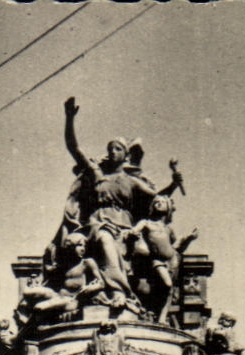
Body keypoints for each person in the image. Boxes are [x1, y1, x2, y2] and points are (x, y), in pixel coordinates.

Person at [62, 96, 183, 311]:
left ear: (126, 155)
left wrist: (173, 185)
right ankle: (118, 292)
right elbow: (74, 147)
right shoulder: (97, 174)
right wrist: (69, 118)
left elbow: (157, 197)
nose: (112, 152)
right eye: (110, 148)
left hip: (127, 229)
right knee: (105, 241)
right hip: (99, 225)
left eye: (117, 148)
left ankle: (153, 305)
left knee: (144, 255)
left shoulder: (132, 182)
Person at [129, 194, 198, 323]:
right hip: (157, 260)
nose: (158, 204)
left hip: (172, 260)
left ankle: (162, 317)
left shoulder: (168, 229)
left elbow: (176, 247)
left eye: (162, 202)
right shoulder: (146, 223)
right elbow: (134, 230)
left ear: (168, 208)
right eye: (156, 202)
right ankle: (155, 312)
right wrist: (133, 232)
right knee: (167, 284)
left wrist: (188, 238)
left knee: (169, 290)